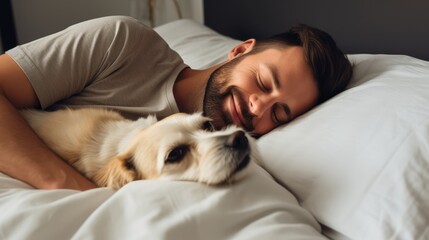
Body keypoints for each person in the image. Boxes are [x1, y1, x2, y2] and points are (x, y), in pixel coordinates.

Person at [0, 16, 353, 190]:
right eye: (262, 82)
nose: (257, 108)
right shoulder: (122, 43)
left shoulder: (243, 155)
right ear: (240, 50)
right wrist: (61, 183)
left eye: (279, 113)